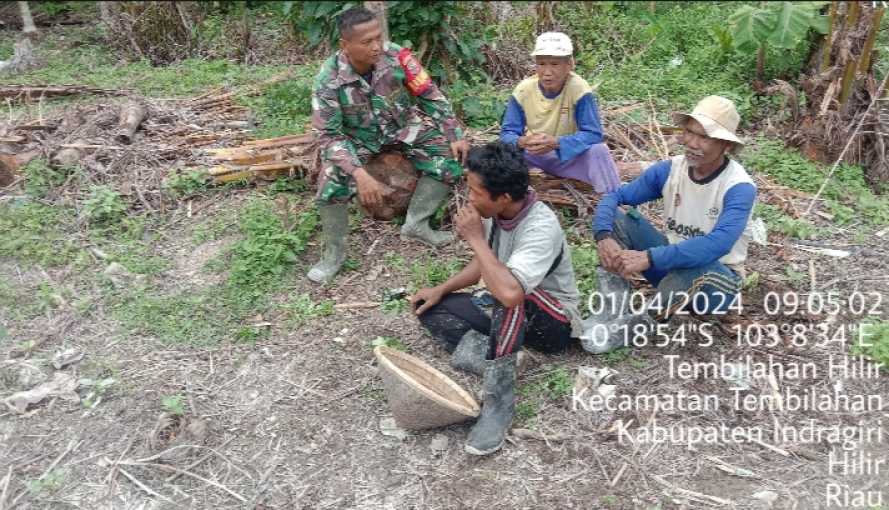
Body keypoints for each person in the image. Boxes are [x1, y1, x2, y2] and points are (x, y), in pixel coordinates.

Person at [410, 142, 582, 456]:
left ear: (503, 197)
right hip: (509, 302)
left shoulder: (541, 226)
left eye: (475, 191)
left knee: (510, 296)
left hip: (553, 321)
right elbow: (483, 264)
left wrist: (474, 237)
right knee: (433, 311)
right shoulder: (494, 213)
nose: (469, 197)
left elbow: (510, 291)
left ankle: (499, 402)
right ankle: (511, 359)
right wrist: (441, 290)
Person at [309, 7, 470, 283]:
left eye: (378, 38)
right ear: (344, 45)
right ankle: (333, 255)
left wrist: (454, 133)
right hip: (357, 141)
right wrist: (360, 175)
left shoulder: (398, 56)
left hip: (401, 129)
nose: (376, 47)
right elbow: (329, 137)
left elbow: (429, 93)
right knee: (331, 179)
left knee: (449, 157)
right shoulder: (328, 79)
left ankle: (417, 224)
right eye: (366, 41)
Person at [586, 95, 757, 353]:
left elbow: (718, 245)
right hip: (670, 270)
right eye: (689, 132)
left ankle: (639, 325)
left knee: (699, 264)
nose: (692, 143)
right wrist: (603, 235)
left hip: (716, 285)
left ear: (726, 146)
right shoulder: (671, 170)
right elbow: (615, 196)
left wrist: (650, 257)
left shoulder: (738, 187)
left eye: (704, 137)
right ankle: (613, 306)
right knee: (618, 219)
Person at [500, 32, 620, 193]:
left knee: (599, 151)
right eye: (542, 64)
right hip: (531, 154)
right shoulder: (523, 90)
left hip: (567, 155)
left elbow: (593, 134)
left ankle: (614, 201)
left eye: (554, 64)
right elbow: (507, 133)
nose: (547, 72)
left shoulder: (579, 89)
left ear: (569, 65)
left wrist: (556, 143)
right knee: (498, 154)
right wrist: (522, 141)